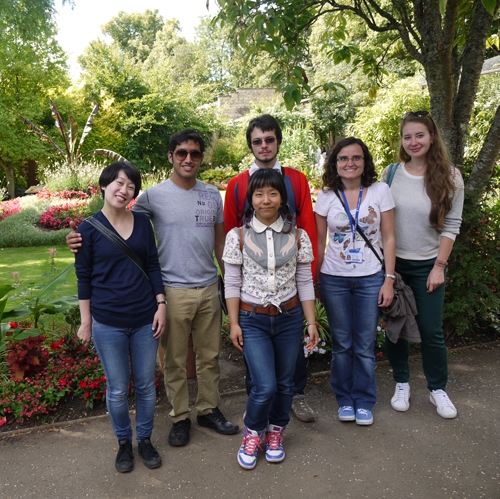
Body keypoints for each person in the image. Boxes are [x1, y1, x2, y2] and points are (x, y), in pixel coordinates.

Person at [69, 130, 238, 448]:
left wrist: (228, 283)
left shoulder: (213, 195)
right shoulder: (151, 197)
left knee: (210, 357)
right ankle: (180, 417)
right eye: (182, 153)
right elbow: (116, 219)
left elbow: (219, 242)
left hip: (207, 287)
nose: (188, 159)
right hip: (171, 290)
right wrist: (79, 237)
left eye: (195, 153)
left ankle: (208, 409)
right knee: (173, 360)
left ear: (202, 157)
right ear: (171, 156)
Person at [224, 114, 318, 423]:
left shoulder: (296, 179)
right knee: (258, 362)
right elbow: (231, 228)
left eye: (269, 139)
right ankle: (258, 401)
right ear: (250, 144)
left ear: (278, 140)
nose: (264, 146)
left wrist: (307, 278)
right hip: (253, 289)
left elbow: (306, 227)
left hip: (289, 282)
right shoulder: (238, 185)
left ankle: (296, 396)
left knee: (292, 354)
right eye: (257, 141)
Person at [75, 161, 166, 473]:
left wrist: (161, 304)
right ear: (104, 185)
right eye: (118, 182)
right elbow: (83, 278)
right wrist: (86, 321)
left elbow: (152, 264)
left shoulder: (142, 223)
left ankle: (145, 439)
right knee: (116, 388)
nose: (124, 189)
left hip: (145, 319)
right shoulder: (86, 230)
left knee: (145, 385)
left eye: (131, 186)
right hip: (107, 322)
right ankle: (124, 443)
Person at [382, 111, 464, 419]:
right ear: (402, 141)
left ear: (431, 137)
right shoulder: (391, 173)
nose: (413, 142)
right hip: (394, 266)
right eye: (407, 137)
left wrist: (439, 266)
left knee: (431, 331)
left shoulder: (450, 176)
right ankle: (401, 381)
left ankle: (437, 389)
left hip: (429, 264)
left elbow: (452, 225)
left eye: (419, 135)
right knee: (396, 328)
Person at [314, 137, 396, 426]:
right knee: (342, 344)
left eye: (356, 158)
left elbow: (388, 237)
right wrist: (316, 280)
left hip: (370, 277)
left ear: (365, 162)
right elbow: (319, 242)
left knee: (363, 344)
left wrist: (389, 279)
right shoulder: (326, 196)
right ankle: (344, 398)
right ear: (335, 163)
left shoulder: (380, 191)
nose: (350, 163)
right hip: (334, 278)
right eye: (343, 159)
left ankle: (364, 400)